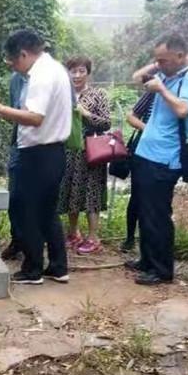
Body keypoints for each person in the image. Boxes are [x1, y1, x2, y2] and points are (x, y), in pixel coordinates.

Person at [0, 29, 72, 285]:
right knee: (47, 211)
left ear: (23, 54)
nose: (12, 65)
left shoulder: (41, 76)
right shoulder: (55, 68)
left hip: (37, 154)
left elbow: (34, 117)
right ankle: (58, 266)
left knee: (25, 210)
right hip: (53, 152)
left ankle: (33, 269)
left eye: (13, 60)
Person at [126, 34, 188, 285]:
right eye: (157, 60)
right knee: (145, 212)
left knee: (158, 214)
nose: (160, 65)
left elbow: (183, 109)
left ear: (181, 57)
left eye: (165, 60)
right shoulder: (168, 75)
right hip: (146, 155)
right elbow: (136, 78)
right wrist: (157, 64)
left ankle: (162, 269)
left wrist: (161, 88)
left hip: (164, 158)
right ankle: (147, 260)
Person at [58, 56, 111, 255]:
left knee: (91, 193)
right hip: (68, 151)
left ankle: (94, 237)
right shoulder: (63, 95)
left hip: (91, 151)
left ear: (88, 73)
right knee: (70, 190)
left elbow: (106, 123)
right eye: (73, 71)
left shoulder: (98, 94)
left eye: (81, 71)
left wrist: (85, 113)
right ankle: (73, 233)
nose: (77, 75)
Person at [120, 91, 155, 252]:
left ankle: (149, 241)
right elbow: (131, 116)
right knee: (137, 195)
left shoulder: (180, 94)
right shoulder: (153, 92)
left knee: (155, 200)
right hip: (141, 149)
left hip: (165, 153)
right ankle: (130, 238)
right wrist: (150, 131)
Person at [1, 71, 26, 261]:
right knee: (15, 195)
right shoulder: (16, 79)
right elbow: (14, 111)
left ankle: (35, 246)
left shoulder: (48, 76)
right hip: (18, 143)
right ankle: (17, 239)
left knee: (37, 200)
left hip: (42, 147)